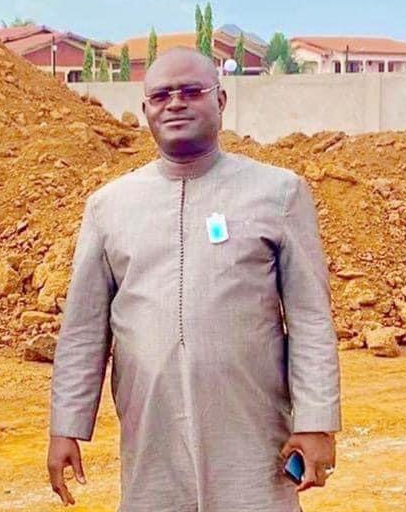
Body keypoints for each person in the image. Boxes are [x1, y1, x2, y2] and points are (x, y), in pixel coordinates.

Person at [47, 47, 341, 511]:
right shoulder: (110, 207)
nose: (175, 103)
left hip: (252, 425)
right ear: (145, 109)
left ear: (220, 100)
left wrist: (316, 421)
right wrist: (66, 425)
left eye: (191, 91)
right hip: (151, 428)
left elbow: (310, 320)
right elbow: (84, 330)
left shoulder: (278, 193)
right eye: (161, 95)